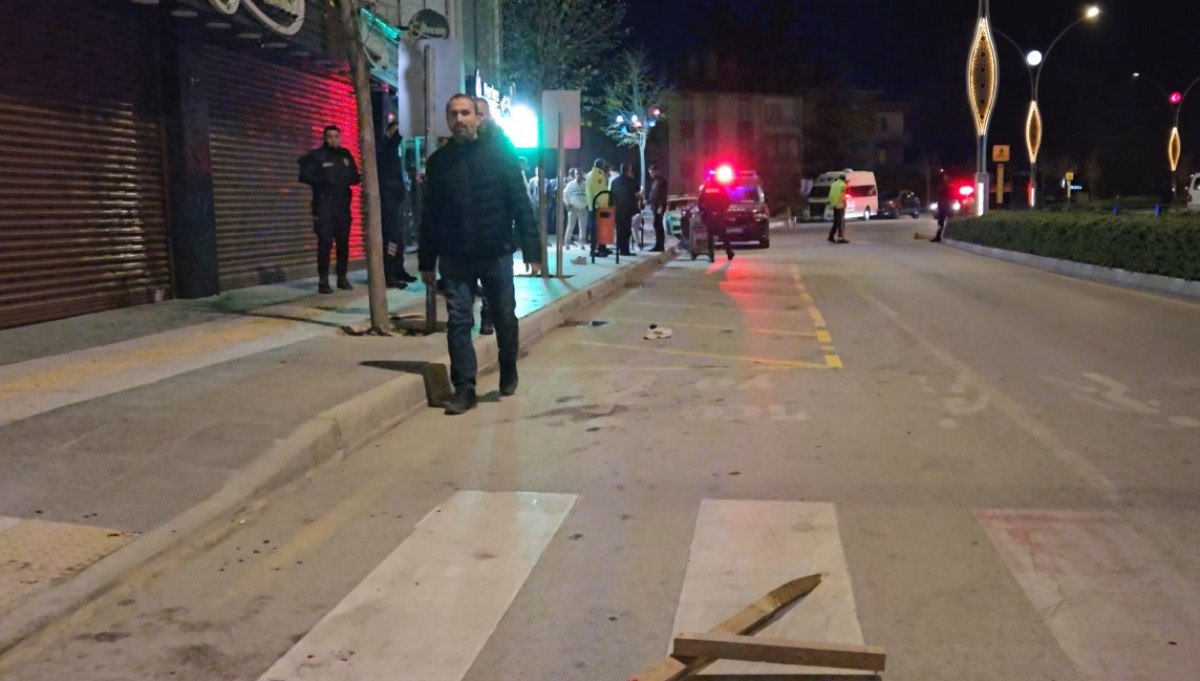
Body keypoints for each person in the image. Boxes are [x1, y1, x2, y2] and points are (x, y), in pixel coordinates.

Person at [419, 93, 541, 415]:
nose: (459, 119)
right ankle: (465, 388)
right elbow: (430, 214)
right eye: (453, 114)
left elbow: (521, 204)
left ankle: (508, 365)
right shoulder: (439, 162)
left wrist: (533, 251)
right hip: (455, 255)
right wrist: (426, 260)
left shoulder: (501, 155)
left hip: (495, 251)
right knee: (459, 320)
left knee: (504, 315)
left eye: (465, 113)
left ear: (477, 117)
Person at [299, 125, 361, 293]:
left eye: (336, 136)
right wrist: (323, 181)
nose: (333, 139)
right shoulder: (317, 156)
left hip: (342, 206)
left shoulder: (345, 155)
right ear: (325, 138)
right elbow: (304, 175)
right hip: (324, 205)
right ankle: (324, 280)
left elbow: (355, 176)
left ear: (340, 138)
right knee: (325, 243)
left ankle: (342, 277)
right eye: (330, 136)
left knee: (343, 244)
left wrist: (352, 179)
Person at [377, 121, 416, 288]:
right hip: (387, 202)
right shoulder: (384, 147)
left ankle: (399, 269)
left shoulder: (394, 151)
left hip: (397, 200)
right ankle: (389, 272)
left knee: (399, 238)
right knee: (391, 239)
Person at [698, 179, 736, 262]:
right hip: (719, 216)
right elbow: (727, 201)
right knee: (724, 235)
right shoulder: (720, 188)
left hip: (709, 216)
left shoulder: (706, 188)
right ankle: (729, 252)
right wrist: (721, 211)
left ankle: (711, 256)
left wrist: (703, 211)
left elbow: (700, 202)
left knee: (710, 236)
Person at [610, 163, 640, 256]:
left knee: (619, 230)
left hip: (617, 209)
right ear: (629, 170)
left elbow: (611, 194)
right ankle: (625, 250)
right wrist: (633, 178)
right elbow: (637, 190)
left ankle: (620, 248)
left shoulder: (615, 181)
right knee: (626, 230)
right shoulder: (630, 180)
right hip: (627, 209)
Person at [585, 159, 612, 257]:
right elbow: (599, 191)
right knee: (597, 229)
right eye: (604, 165)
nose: (605, 167)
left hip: (594, 205)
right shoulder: (597, 175)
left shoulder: (592, 174)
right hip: (598, 206)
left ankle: (602, 247)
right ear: (600, 165)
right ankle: (595, 250)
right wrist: (602, 204)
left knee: (600, 228)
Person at [563, 168, 588, 247]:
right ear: (575, 175)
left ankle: (582, 243)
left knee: (583, 227)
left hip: (583, 207)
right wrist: (567, 204)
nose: (579, 175)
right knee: (570, 226)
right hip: (573, 207)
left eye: (580, 174)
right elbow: (565, 194)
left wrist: (588, 204)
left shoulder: (586, 184)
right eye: (577, 174)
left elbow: (589, 194)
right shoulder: (570, 184)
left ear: (583, 175)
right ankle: (567, 242)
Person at [647, 163, 669, 251]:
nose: (650, 174)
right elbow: (653, 194)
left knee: (658, 225)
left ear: (655, 171)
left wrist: (661, 206)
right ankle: (658, 244)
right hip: (655, 206)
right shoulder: (655, 181)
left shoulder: (662, 181)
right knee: (657, 225)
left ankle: (660, 245)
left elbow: (662, 195)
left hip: (659, 207)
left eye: (651, 172)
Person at [932, 173, 954, 242]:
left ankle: (940, 236)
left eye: (946, 176)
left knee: (944, 222)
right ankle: (938, 236)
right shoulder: (944, 185)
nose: (945, 178)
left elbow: (949, 196)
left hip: (946, 207)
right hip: (943, 207)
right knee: (940, 223)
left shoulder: (947, 186)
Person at [827, 173, 848, 244]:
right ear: (844, 180)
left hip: (834, 205)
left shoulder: (833, 184)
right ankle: (840, 238)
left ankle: (831, 236)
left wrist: (831, 203)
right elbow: (842, 196)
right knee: (841, 222)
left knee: (836, 222)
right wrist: (845, 203)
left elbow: (830, 195)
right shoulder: (843, 185)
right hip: (840, 205)